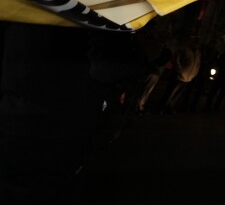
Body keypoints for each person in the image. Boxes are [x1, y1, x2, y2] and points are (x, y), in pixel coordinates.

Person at [0, 21, 149, 205]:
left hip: (14, 115)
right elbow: (109, 67)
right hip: (62, 129)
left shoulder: (24, 0)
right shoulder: (95, 9)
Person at [204, 43, 225, 112]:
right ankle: (212, 106)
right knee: (217, 92)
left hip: (223, 76)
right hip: (223, 76)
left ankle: (212, 106)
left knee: (217, 92)